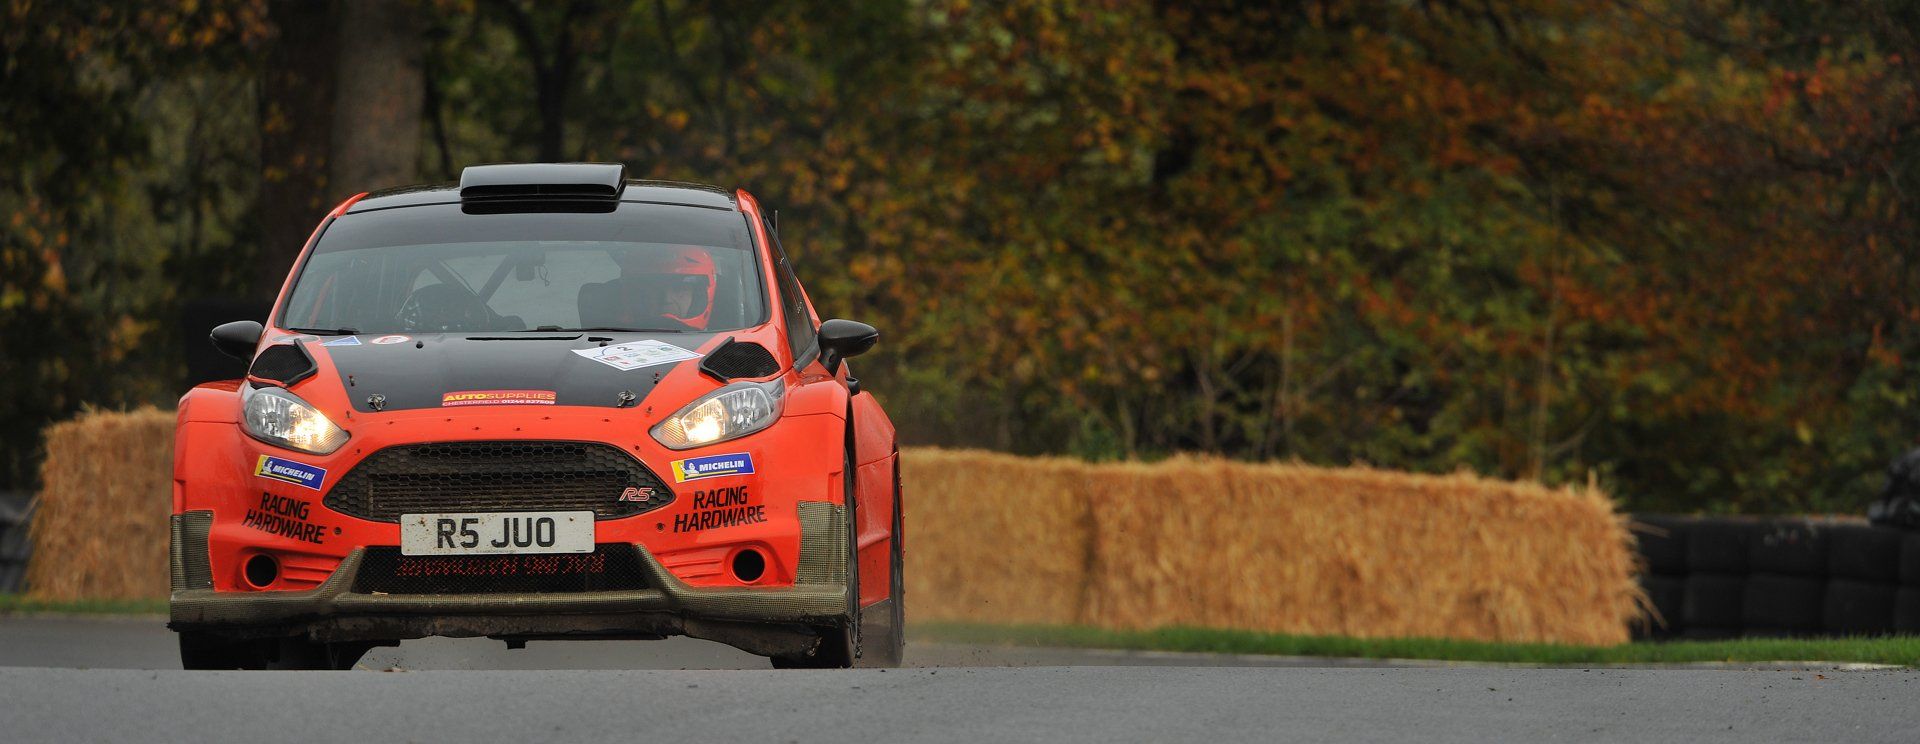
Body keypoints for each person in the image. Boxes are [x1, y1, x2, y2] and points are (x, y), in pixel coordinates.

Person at [602, 245, 716, 331]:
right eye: (655, 288)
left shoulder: (723, 345)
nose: (666, 299)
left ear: (698, 295)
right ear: (636, 293)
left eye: (678, 289)